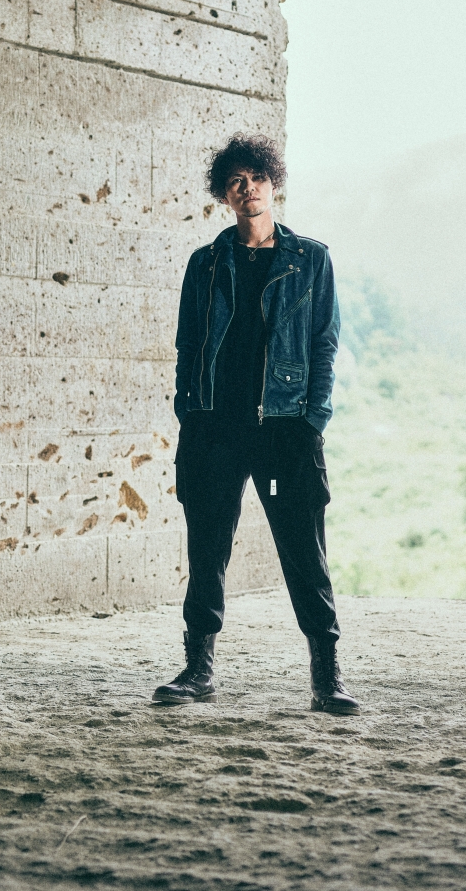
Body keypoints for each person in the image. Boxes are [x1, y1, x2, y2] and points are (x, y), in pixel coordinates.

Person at [155, 133, 357, 714]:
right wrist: (190, 410)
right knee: (207, 548)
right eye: (236, 183)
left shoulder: (310, 259)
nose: (249, 190)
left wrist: (312, 420)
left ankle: (326, 674)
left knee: (304, 550)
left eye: (258, 179)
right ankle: (198, 668)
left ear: (274, 184)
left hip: (285, 428)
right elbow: (187, 343)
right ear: (224, 194)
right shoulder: (205, 263)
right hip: (214, 428)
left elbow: (324, 344)